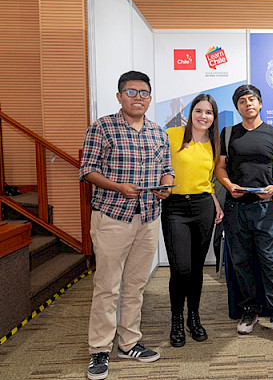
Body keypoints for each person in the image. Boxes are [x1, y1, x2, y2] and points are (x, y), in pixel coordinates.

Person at [80, 71, 174, 380]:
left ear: (150, 97)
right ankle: (99, 349)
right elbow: (88, 171)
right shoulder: (102, 128)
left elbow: (167, 169)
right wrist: (118, 186)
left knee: (136, 285)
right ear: (119, 96)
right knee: (107, 286)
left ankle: (129, 342)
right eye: (131, 92)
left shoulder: (159, 133)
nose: (138, 98)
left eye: (144, 93)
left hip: (148, 217)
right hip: (112, 217)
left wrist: (166, 185)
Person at [214, 84, 273, 351]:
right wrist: (228, 186)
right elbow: (220, 168)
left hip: (265, 207)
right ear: (237, 107)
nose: (248, 104)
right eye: (242, 101)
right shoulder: (228, 134)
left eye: (252, 99)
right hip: (236, 208)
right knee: (241, 262)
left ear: (260, 104)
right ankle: (250, 309)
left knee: (271, 263)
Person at [161, 94, 224, 347]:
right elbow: (160, 165)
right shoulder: (172, 134)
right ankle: (176, 319)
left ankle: (193, 317)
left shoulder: (214, 144)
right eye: (199, 111)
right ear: (191, 113)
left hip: (203, 207)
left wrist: (216, 202)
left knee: (197, 269)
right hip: (175, 207)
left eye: (208, 112)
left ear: (213, 117)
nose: (203, 116)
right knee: (181, 269)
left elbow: (208, 180)